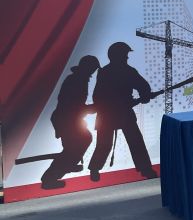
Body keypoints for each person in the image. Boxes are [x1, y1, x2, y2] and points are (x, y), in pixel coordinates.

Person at [88, 42, 157, 181]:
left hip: (113, 114)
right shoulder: (126, 71)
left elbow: (143, 86)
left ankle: (95, 169)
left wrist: (144, 95)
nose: (127, 57)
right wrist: (144, 96)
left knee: (132, 141)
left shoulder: (107, 71)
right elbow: (143, 86)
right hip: (112, 113)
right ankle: (145, 169)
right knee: (113, 143)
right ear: (117, 55)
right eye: (125, 55)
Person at [40, 56, 100, 189]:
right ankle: (49, 178)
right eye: (93, 69)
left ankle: (67, 165)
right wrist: (91, 108)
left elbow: (76, 105)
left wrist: (89, 109)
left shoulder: (80, 79)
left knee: (76, 145)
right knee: (78, 144)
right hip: (65, 119)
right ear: (88, 67)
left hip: (68, 119)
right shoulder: (76, 80)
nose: (93, 72)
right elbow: (71, 105)